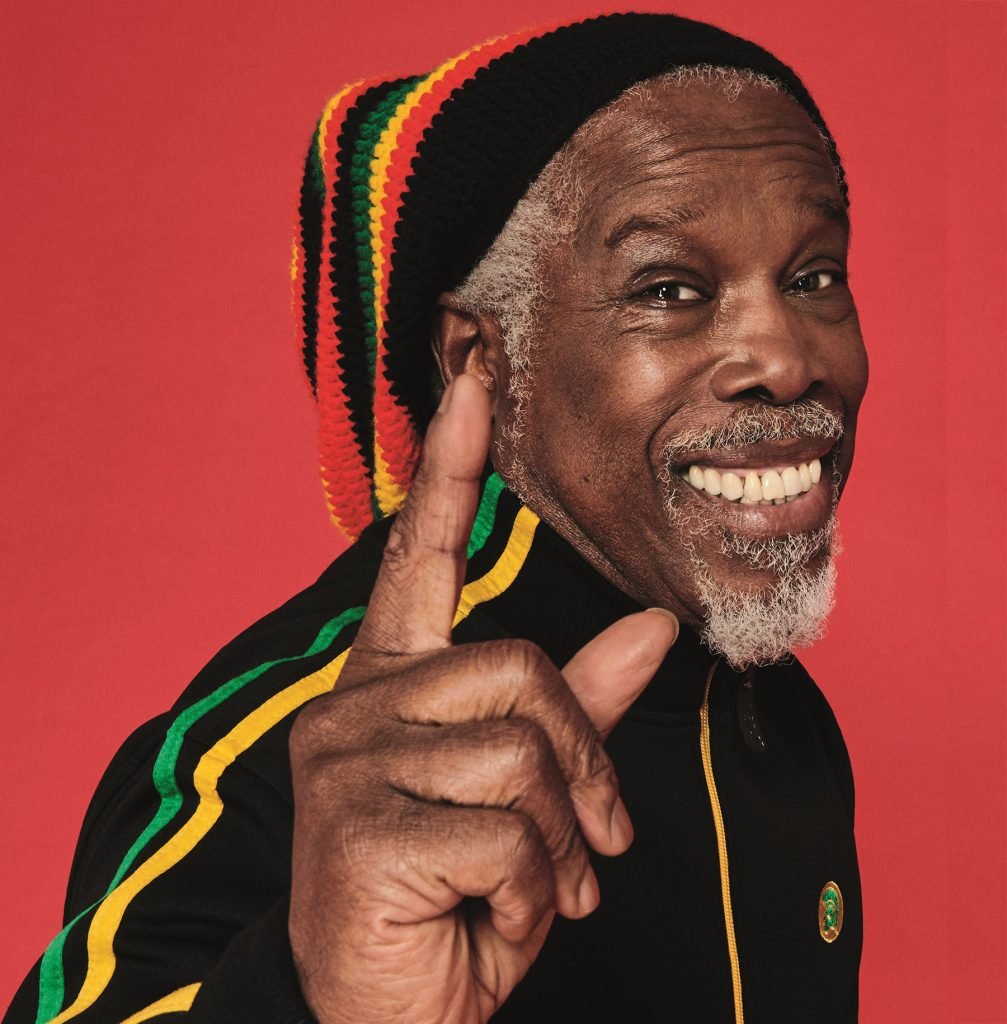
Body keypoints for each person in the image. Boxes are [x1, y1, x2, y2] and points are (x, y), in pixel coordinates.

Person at [5, 12, 867, 1024]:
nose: (785, 360)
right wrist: (322, 1005)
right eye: (668, 288)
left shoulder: (777, 709)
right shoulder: (310, 752)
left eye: (813, 277)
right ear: (479, 362)